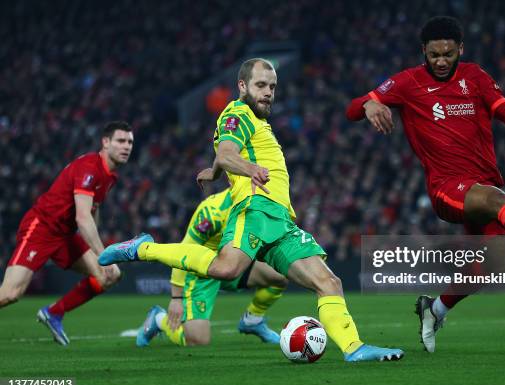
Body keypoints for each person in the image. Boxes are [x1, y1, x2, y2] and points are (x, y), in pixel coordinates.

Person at [100, 58, 404, 362]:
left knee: (328, 282)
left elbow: (224, 154)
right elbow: (228, 151)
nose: (268, 92)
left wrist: (217, 172)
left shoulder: (257, 122)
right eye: (261, 85)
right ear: (242, 86)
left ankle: (353, 348)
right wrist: (248, 168)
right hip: (255, 208)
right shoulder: (237, 112)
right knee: (226, 268)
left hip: (280, 220)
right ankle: (144, 249)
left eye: (272, 86)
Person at [346, 16, 505, 353]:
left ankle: (434, 309)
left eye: (447, 54)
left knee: (491, 265)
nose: (441, 62)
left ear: (460, 49)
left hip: (481, 185)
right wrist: (370, 103)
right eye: (433, 55)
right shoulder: (407, 83)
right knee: (498, 201)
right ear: (423, 53)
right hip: (447, 188)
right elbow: (351, 109)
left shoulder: (475, 76)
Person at [0, 121, 134, 345]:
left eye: (130, 142)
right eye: (121, 141)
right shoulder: (90, 168)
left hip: (65, 235)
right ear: (105, 142)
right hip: (42, 228)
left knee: (110, 275)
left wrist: (99, 251)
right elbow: (82, 216)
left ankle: (54, 313)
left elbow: (93, 210)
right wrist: (103, 254)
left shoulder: (110, 175)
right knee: (11, 294)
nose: (127, 146)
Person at [135, 188, 287, 347]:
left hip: (234, 264)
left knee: (279, 275)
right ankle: (159, 319)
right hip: (203, 273)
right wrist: (176, 298)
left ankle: (252, 320)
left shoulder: (259, 203)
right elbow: (184, 249)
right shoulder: (212, 211)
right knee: (198, 341)